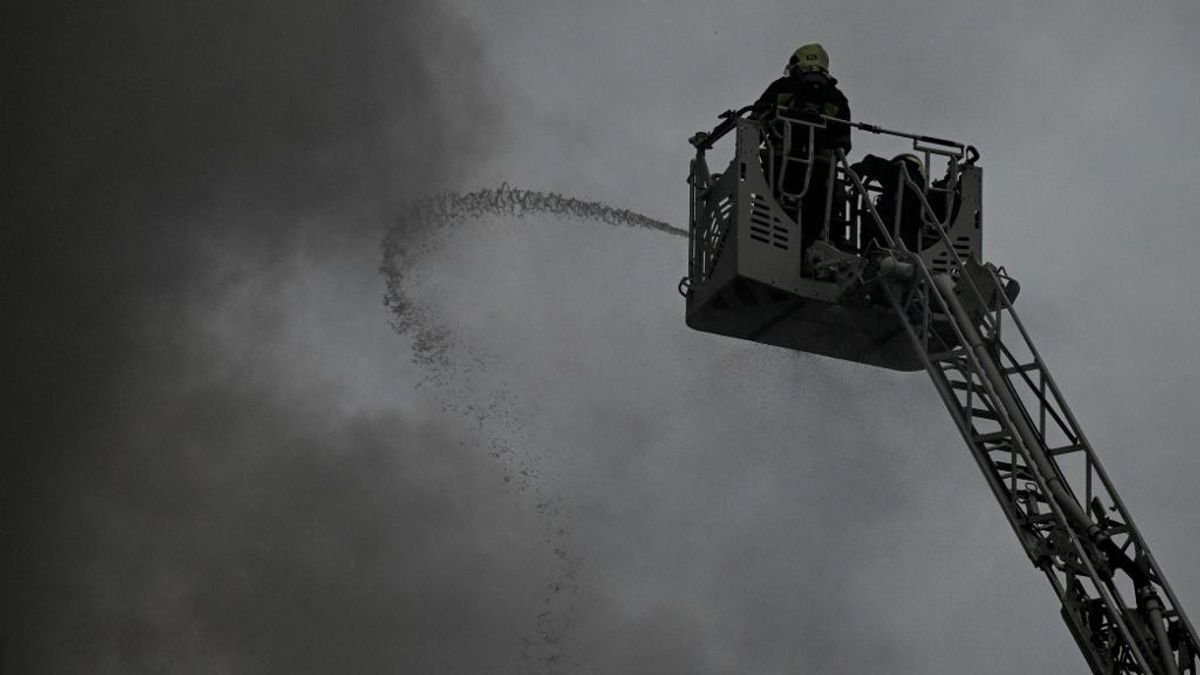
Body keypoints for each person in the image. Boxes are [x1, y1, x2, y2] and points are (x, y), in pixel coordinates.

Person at [751, 43, 852, 254]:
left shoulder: (781, 88)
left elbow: (755, 123)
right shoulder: (837, 98)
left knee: (766, 215)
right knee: (816, 220)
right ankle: (816, 250)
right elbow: (844, 142)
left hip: (779, 168)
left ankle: (761, 248)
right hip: (821, 174)